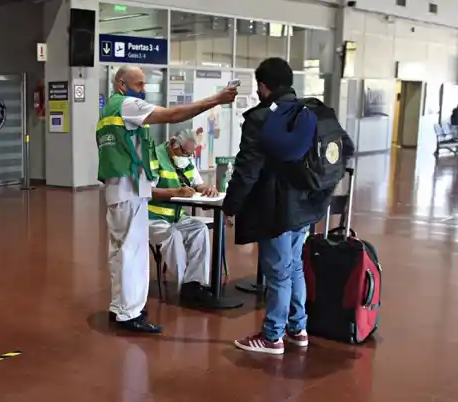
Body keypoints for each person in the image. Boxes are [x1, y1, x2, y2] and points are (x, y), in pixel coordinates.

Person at [223, 57, 354, 354]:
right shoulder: (308, 111)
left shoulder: (260, 119)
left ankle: (272, 336)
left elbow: (247, 169)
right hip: (308, 206)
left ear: (263, 86)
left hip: (276, 209)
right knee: (294, 267)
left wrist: (231, 204)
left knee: (279, 273)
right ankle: (298, 328)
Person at [97, 65, 236, 333]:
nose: (143, 90)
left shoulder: (109, 111)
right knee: (132, 253)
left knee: (120, 252)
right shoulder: (126, 105)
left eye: (144, 84)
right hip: (130, 189)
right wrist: (216, 99)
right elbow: (172, 115)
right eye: (138, 84)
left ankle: (121, 307)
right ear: (120, 84)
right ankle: (130, 314)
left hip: (118, 188)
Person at [148, 129, 217, 306]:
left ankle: (194, 283)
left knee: (199, 229)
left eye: (191, 153)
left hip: (177, 216)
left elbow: (197, 183)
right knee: (174, 236)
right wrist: (176, 192)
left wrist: (207, 189)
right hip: (153, 217)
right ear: (173, 145)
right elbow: (148, 191)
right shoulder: (154, 156)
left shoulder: (186, 159)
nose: (188, 156)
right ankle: (183, 283)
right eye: (185, 152)